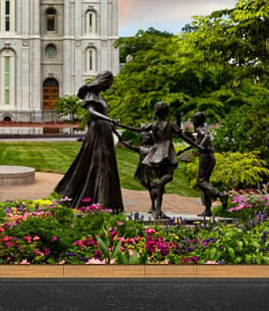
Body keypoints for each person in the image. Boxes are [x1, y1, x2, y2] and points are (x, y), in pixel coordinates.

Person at [53, 71, 125, 212]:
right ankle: (98, 201)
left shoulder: (99, 96)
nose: (109, 87)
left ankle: (106, 201)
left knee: (106, 164)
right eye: (109, 84)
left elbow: (103, 114)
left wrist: (112, 124)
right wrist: (108, 119)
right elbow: (91, 113)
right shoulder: (91, 94)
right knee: (98, 163)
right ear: (103, 81)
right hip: (97, 132)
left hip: (104, 131)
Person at [119, 102, 192, 218]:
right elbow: (185, 138)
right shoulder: (171, 124)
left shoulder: (153, 125)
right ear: (167, 112)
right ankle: (158, 185)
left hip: (156, 153)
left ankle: (158, 209)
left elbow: (137, 129)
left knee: (162, 181)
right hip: (167, 152)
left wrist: (120, 125)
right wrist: (197, 145)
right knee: (168, 176)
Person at [180, 111, 229, 217]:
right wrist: (183, 150)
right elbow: (196, 143)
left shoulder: (200, 129)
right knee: (205, 182)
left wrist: (201, 146)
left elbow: (206, 137)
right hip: (210, 156)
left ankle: (220, 195)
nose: (193, 121)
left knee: (200, 181)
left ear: (198, 120)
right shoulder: (201, 129)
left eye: (194, 119)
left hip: (205, 157)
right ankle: (208, 210)